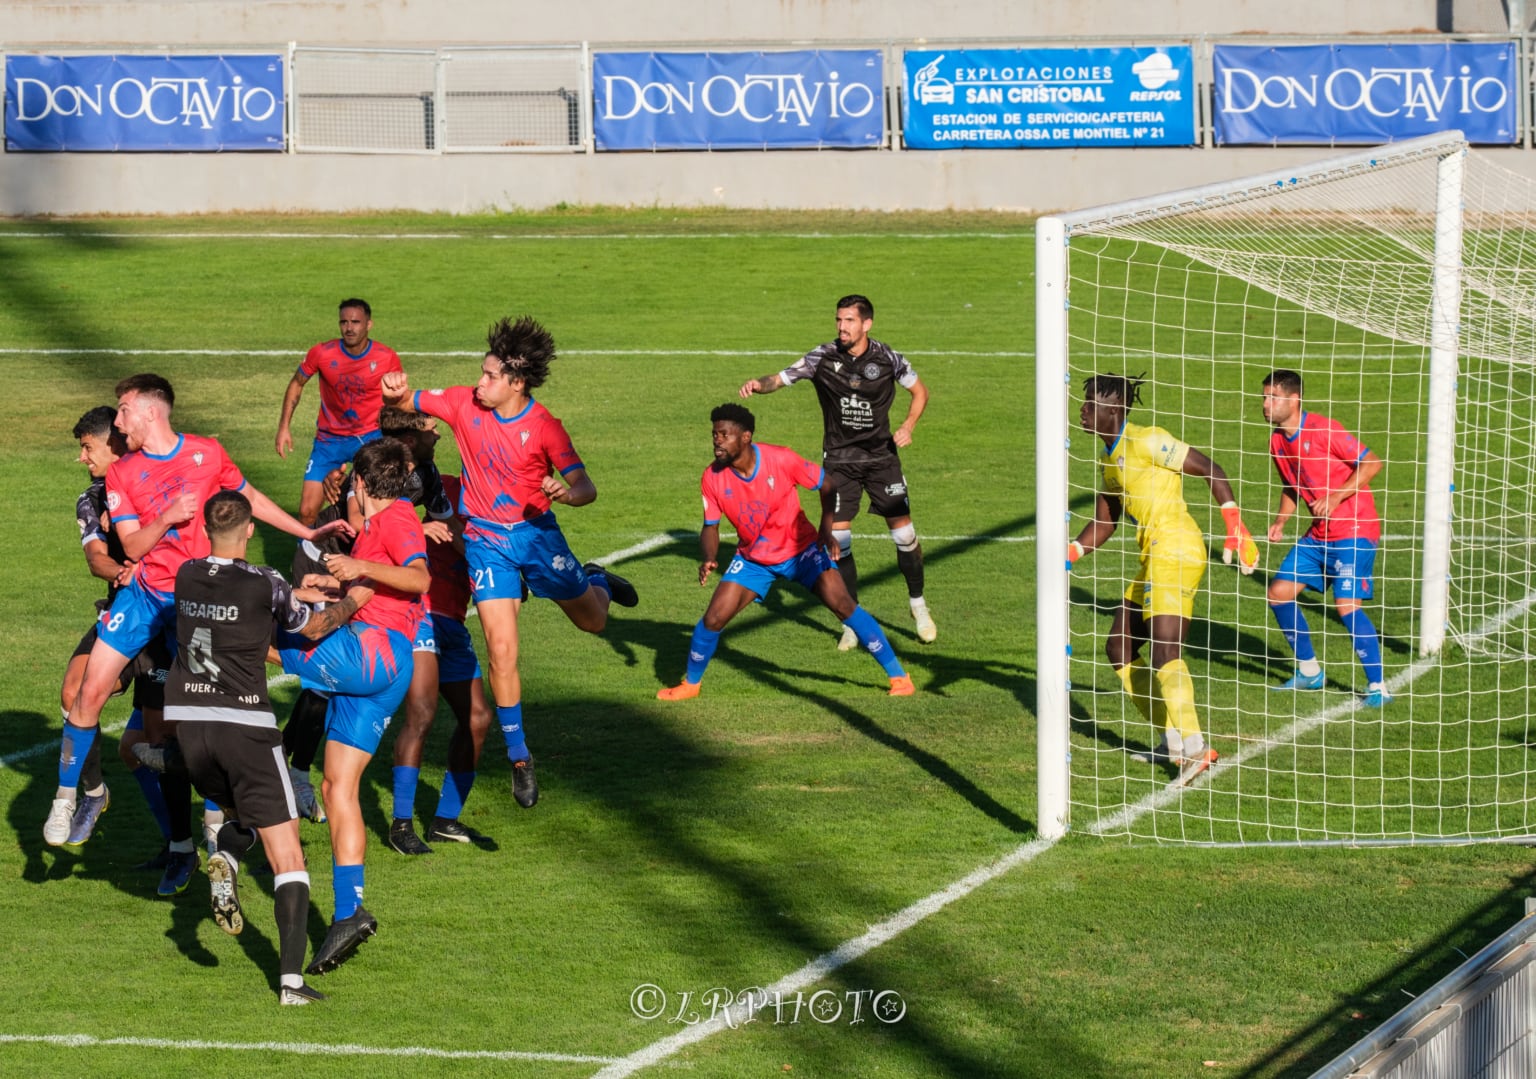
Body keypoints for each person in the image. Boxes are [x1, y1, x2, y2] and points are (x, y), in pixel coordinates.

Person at [45, 374, 347, 874]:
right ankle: (66, 797)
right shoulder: (123, 475)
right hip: (145, 597)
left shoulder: (207, 453)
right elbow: (136, 547)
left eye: (123, 411)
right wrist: (165, 516)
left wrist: (307, 529)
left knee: (210, 715)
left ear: (149, 411)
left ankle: (213, 832)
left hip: (197, 602)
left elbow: (250, 497)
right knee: (87, 693)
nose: (118, 424)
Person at [380, 315, 638, 811]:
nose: (480, 383)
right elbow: (404, 403)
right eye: (481, 373)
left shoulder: (545, 428)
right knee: (501, 649)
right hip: (485, 541)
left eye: (490, 376)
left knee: (594, 621)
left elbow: (586, 486)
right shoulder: (461, 403)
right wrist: (395, 391)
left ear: (516, 383)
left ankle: (596, 579)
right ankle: (520, 755)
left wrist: (568, 493)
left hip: (538, 538)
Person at [167, 490, 367, 1005]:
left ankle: (227, 859)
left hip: (189, 726)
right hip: (245, 729)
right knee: (289, 854)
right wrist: (354, 599)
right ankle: (291, 982)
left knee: (244, 816)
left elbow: (236, 603)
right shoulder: (266, 581)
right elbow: (313, 624)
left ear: (208, 528)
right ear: (251, 529)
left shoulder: (186, 574)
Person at [275, 437, 427, 975]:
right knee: (338, 785)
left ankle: (189, 720)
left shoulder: (396, 520)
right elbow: (373, 587)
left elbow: (418, 577)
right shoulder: (384, 526)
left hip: (373, 655)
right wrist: (334, 582)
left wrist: (356, 563)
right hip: (385, 666)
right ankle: (349, 911)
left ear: (361, 484)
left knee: (264, 640)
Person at [1068, 373, 1260, 787]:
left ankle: (1195, 749)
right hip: (1153, 556)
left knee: (1164, 652)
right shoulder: (1108, 458)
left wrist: (1233, 523)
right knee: (1119, 647)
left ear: (1113, 409)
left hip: (1176, 548)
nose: (1081, 410)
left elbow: (1209, 466)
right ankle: (1171, 739)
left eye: (1089, 403)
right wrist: (1071, 553)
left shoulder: (1148, 440)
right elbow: (1106, 520)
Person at [656, 403, 914, 700]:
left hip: (802, 551)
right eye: (714, 434)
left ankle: (899, 678)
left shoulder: (781, 459)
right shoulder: (712, 477)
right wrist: (710, 557)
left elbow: (827, 485)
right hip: (754, 561)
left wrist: (826, 530)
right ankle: (691, 685)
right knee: (713, 619)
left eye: (724, 435)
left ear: (745, 437)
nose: (717, 440)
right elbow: (710, 526)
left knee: (844, 606)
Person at [739, 294, 936, 649]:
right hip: (840, 462)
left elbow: (921, 392)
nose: (842, 327)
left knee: (905, 536)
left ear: (866, 324)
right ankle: (852, 619)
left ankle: (918, 606)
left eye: (849, 321)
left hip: (881, 460)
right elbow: (783, 377)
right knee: (838, 543)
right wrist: (758, 384)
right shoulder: (822, 356)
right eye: (839, 320)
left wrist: (909, 425)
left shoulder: (888, 358)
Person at [60, 407, 172, 857]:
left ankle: (197, 841)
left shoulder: (156, 480)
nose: (82, 458)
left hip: (167, 616)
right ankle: (92, 793)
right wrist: (120, 572)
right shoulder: (91, 499)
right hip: (124, 610)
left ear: (115, 443)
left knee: (146, 745)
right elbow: (94, 560)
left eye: (88, 447)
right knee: (74, 694)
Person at [383, 419, 494, 854]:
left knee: (478, 719)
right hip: (420, 615)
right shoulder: (437, 485)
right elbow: (381, 508)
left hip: (454, 624)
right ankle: (401, 824)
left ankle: (445, 819)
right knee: (423, 714)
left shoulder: (498, 511)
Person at [1260, 370, 1391, 706]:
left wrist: (1335, 496)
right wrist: (1280, 521)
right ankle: (1309, 672)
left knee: (1346, 607)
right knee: (1278, 593)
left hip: (1354, 529)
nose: (1265, 404)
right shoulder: (1277, 440)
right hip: (1319, 534)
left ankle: (1377, 686)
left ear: (1294, 399)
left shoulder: (1324, 429)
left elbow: (1372, 463)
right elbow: (1293, 484)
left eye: (1273, 398)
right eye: (1264, 397)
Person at [275, 298, 403, 526]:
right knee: (306, 511)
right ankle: (304, 559)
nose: (349, 327)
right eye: (344, 322)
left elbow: (399, 400)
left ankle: (366, 557)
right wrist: (284, 427)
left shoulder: (386, 357)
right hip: (329, 441)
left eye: (355, 322)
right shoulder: (322, 353)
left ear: (368, 324)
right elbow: (297, 383)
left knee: (370, 508)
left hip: (370, 438)